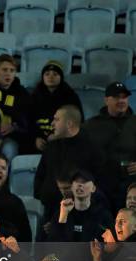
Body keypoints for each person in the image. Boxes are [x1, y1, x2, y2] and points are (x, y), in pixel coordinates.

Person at [34, 105, 102, 225]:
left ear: (69, 123)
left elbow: (99, 181)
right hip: (50, 212)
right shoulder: (51, 147)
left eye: (57, 119)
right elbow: (40, 176)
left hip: (79, 215)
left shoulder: (91, 149)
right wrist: (43, 196)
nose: (52, 123)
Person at [84, 82, 136, 210]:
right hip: (102, 186)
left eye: (124, 97)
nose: (121, 100)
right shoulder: (91, 126)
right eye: (116, 97)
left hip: (131, 186)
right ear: (106, 100)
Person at [31, 61, 83, 153]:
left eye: (55, 74)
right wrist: (36, 138)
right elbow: (28, 121)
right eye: (47, 74)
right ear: (42, 77)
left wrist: (58, 135)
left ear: (61, 77)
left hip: (62, 139)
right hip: (39, 139)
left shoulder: (70, 96)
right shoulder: (35, 96)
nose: (51, 77)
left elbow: (76, 120)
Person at [49, 169, 113, 243]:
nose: (80, 184)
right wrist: (63, 217)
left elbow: (110, 245)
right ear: (72, 187)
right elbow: (53, 244)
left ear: (93, 188)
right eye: (76, 182)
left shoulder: (103, 215)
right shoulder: (61, 213)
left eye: (84, 182)